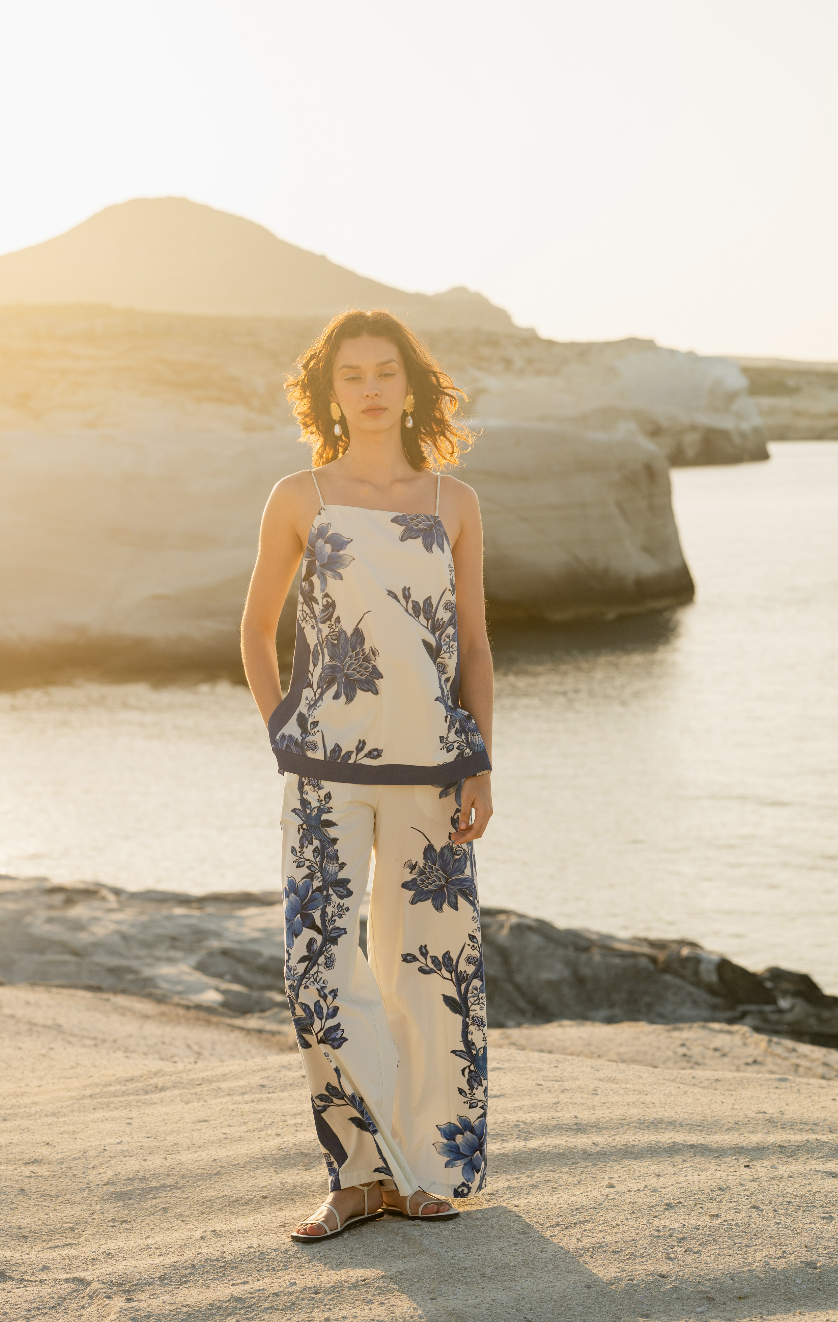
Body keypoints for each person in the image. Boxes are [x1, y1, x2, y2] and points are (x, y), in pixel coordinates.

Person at [241, 308, 493, 1240]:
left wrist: (482, 764)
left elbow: (474, 643)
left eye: (388, 371)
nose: (373, 388)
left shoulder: (453, 502)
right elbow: (255, 625)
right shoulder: (299, 495)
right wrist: (283, 727)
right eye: (354, 375)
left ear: (411, 385)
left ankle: (423, 1171)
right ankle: (353, 1176)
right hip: (324, 769)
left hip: (435, 767)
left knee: (431, 970)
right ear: (331, 390)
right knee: (319, 966)